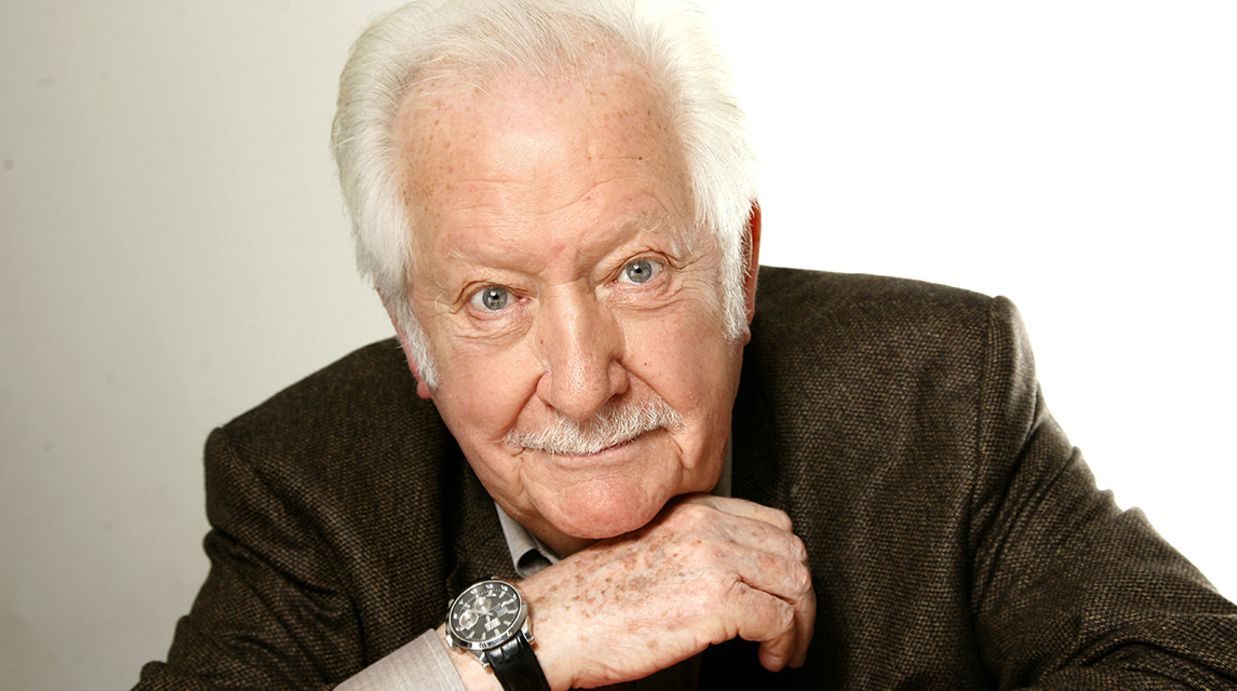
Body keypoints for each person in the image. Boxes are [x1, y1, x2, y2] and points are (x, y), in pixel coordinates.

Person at [136, 1, 1237, 689]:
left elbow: (1192, 661)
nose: (581, 386)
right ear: (412, 335)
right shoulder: (307, 482)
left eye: (637, 271)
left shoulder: (933, 385)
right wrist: (506, 650)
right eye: (492, 298)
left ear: (738, 266)